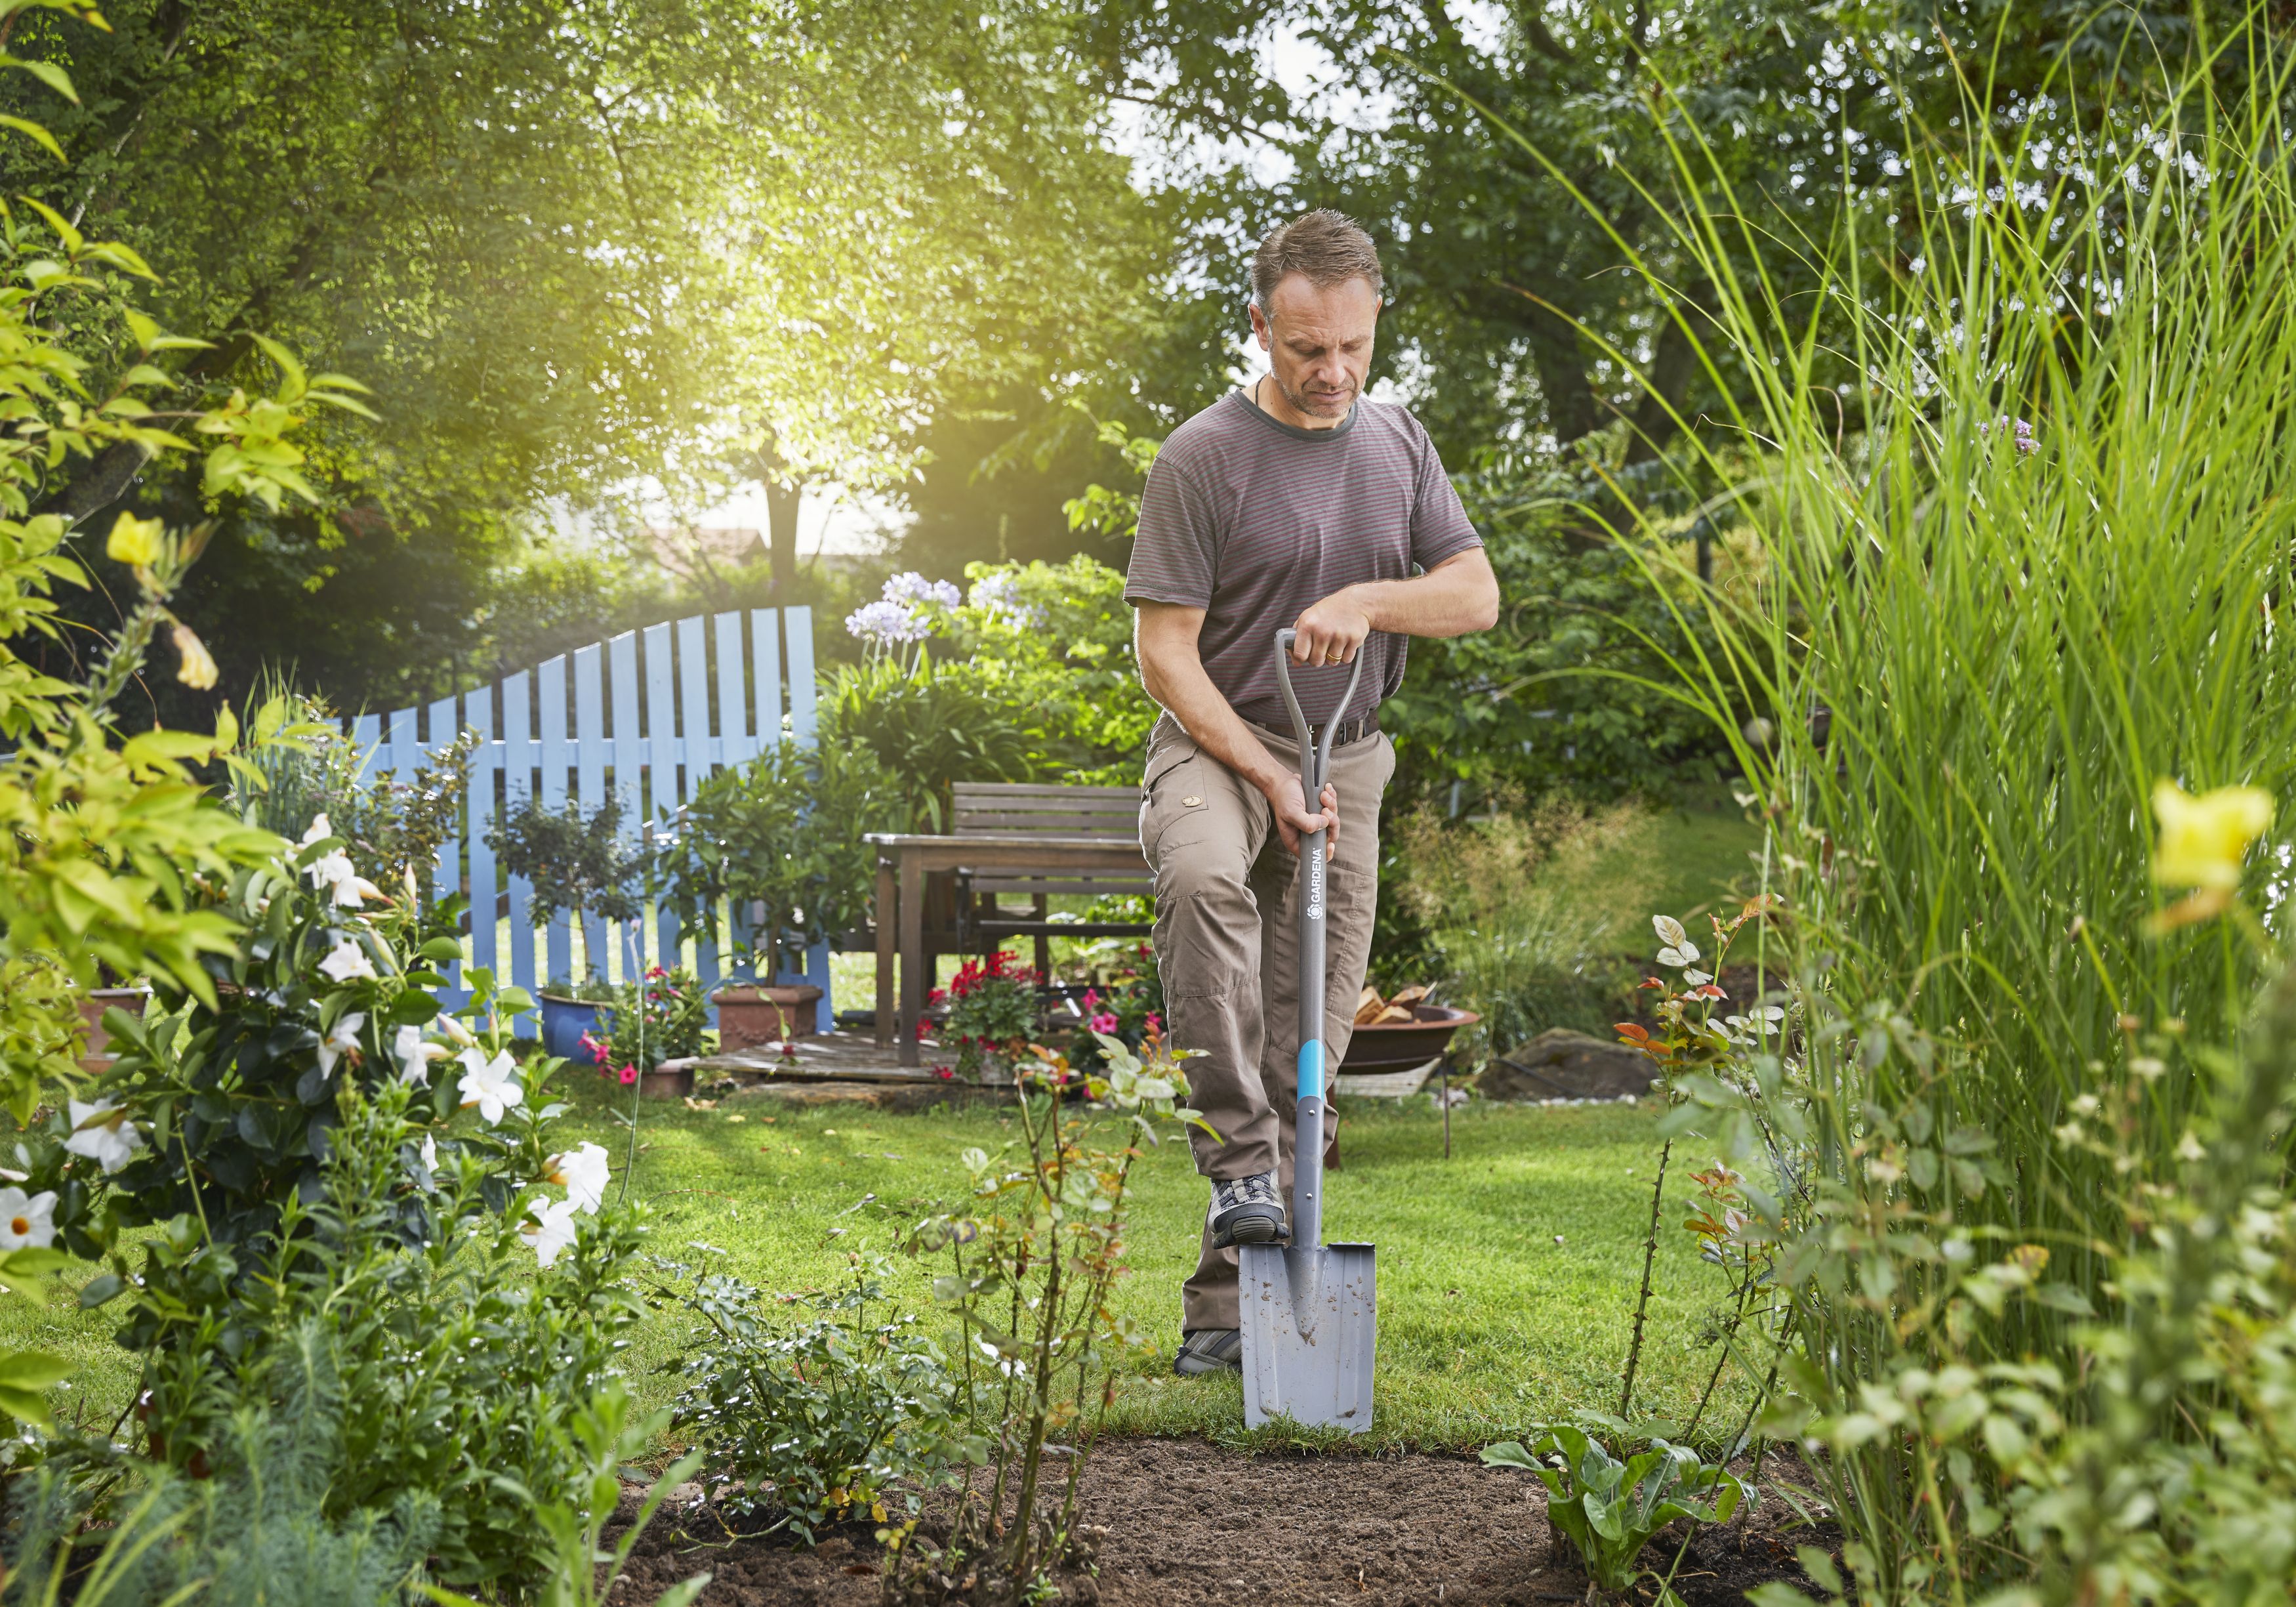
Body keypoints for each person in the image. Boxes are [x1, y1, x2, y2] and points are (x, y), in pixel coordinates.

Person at [1124, 208, 1500, 1376]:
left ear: (1375, 317)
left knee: (1311, 1034)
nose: (1331, 373)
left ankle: (1227, 1318)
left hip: (1352, 755)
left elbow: (1475, 592)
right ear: (1259, 326)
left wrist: (1367, 602)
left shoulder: (1399, 445)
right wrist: (1266, 771)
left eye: (1349, 346)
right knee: (1198, 884)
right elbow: (1165, 654)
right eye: (1303, 350)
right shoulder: (1202, 457)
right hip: (1226, 737)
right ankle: (1241, 1165)